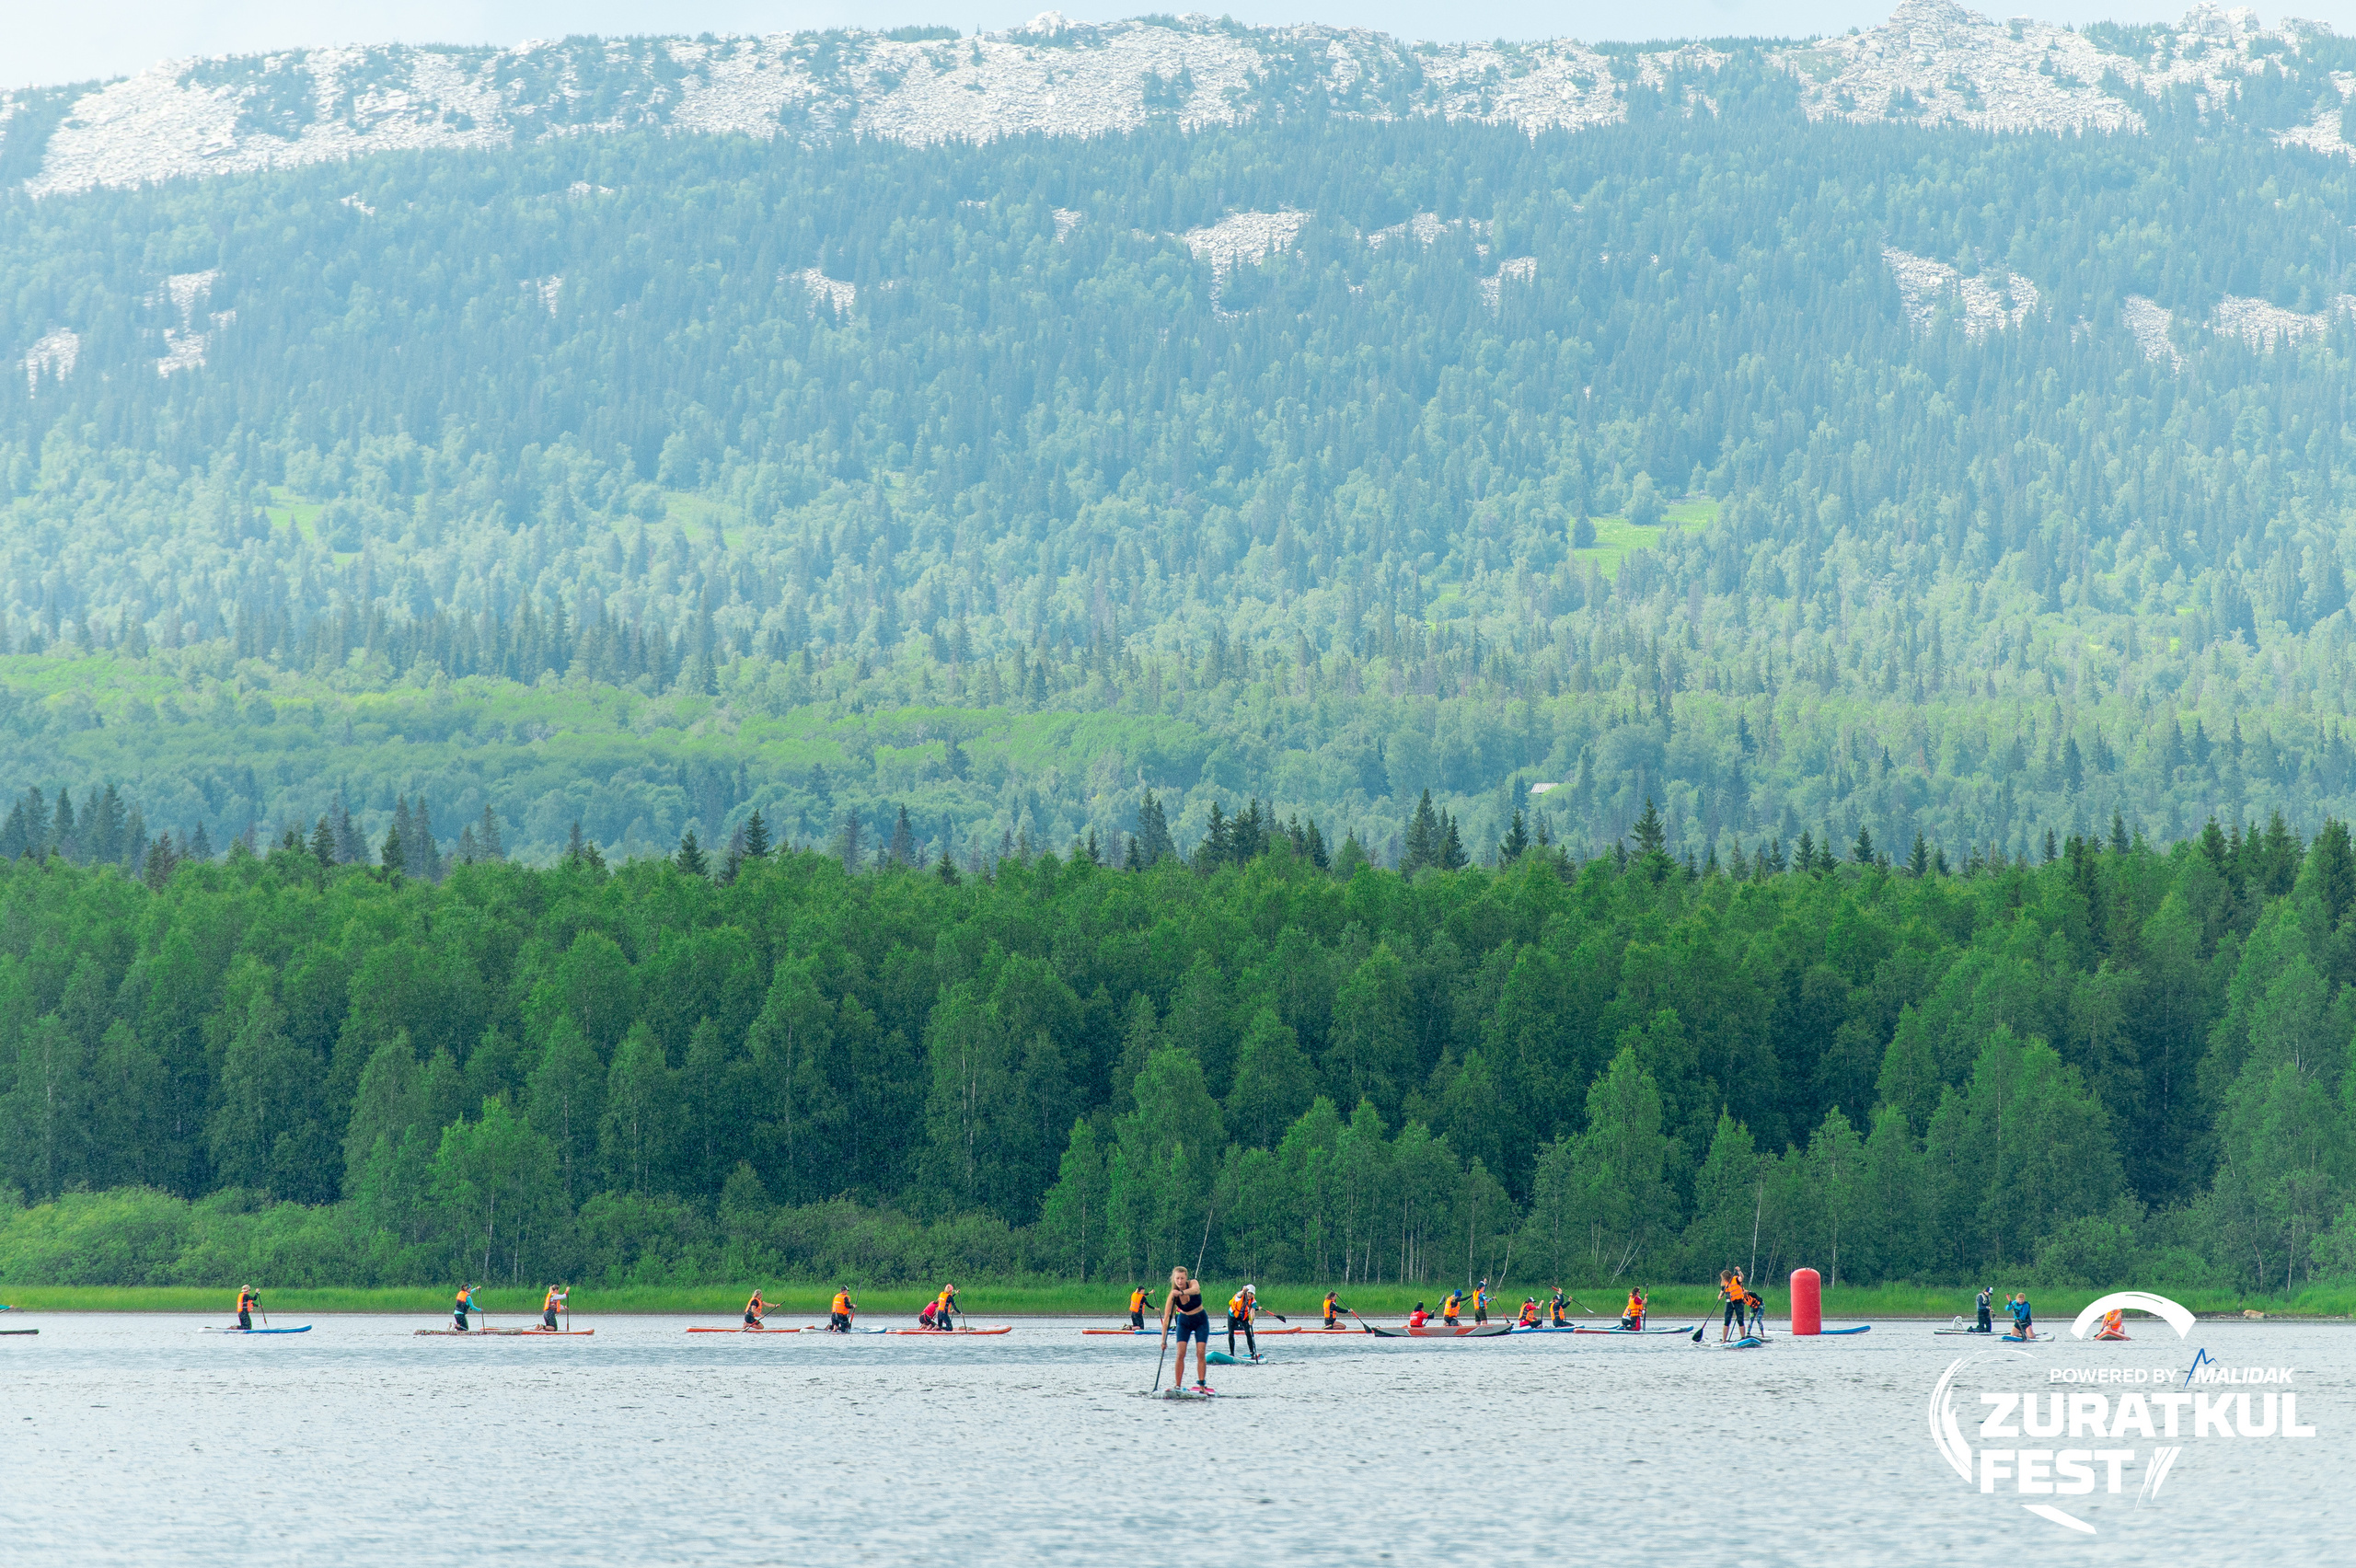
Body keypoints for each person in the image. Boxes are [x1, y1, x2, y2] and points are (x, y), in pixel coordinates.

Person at [1161, 1266, 1212, 1392]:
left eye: (1182, 1278)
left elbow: (1196, 1290)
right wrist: (1163, 1340)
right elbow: (1167, 1318)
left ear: (1186, 1278)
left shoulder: (1193, 1283)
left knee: (1200, 1353)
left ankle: (1201, 1385)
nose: (1180, 1281)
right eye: (1177, 1278)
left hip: (1200, 1320)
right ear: (1174, 1279)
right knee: (1180, 1353)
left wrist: (1182, 1292)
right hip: (1184, 1321)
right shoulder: (1172, 1295)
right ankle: (1177, 1385)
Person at [1226, 1284, 1259, 1360]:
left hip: (1243, 1317)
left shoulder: (1253, 1301)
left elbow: (1252, 1311)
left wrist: (1251, 1319)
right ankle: (1232, 1353)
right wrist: (1243, 1291)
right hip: (1232, 1316)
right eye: (1249, 1293)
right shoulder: (1240, 1295)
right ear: (1246, 1292)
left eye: (1251, 1294)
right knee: (1231, 1333)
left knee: (1248, 1332)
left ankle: (1252, 1353)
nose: (1250, 1295)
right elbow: (1238, 1295)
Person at [1720, 1266, 1747, 1342]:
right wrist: (1720, 1295)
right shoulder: (1725, 1283)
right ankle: (1724, 1340)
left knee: (1740, 1320)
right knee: (1727, 1321)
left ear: (1726, 1277)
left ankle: (1743, 1338)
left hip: (1738, 1302)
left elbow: (1741, 1278)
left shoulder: (1735, 1279)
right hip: (1729, 1303)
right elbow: (1722, 1291)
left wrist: (1739, 1271)